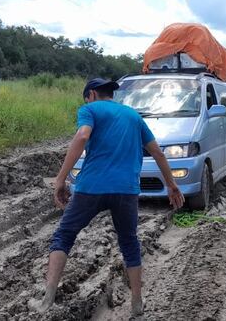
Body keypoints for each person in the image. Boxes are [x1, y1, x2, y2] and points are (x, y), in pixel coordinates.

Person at [33, 78, 185, 318]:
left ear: (91, 94)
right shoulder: (134, 116)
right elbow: (156, 151)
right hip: (126, 190)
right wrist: (171, 184)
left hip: (91, 188)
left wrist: (60, 179)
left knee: (64, 235)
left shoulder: (89, 110)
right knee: (129, 242)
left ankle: (47, 299)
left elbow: (82, 136)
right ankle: (137, 302)